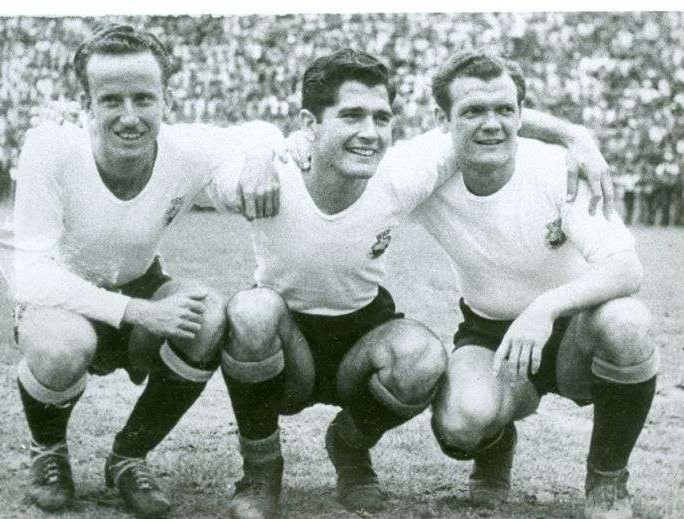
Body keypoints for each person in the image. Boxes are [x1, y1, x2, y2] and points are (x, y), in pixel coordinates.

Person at [216, 48, 618, 519]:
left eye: (381, 117)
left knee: (423, 358)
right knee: (251, 310)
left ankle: (350, 447)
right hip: (287, 344)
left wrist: (577, 134)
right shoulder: (266, 178)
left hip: (362, 336)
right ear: (310, 122)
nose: (368, 132)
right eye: (350, 116)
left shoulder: (402, 170)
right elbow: (207, 149)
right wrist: (259, 152)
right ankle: (260, 476)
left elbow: (487, 116)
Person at [9, 25, 281, 518]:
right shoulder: (49, 147)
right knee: (61, 346)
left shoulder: (186, 148)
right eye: (111, 100)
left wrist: (261, 157)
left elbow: (260, 130)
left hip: (139, 279)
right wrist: (136, 312)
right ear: (86, 105)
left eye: (144, 98)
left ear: (166, 101)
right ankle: (48, 450)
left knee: (207, 317)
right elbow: (29, 272)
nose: (130, 116)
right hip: (62, 295)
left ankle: (129, 456)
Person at [414, 50, 658, 519]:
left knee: (628, 320)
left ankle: (607, 481)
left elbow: (627, 268)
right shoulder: (426, 172)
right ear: (443, 120)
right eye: (472, 112)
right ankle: (497, 438)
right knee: (459, 426)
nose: (492, 125)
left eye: (506, 110)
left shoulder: (557, 169)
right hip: (491, 336)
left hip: (576, 332)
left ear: (522, 115)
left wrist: (543, 309)